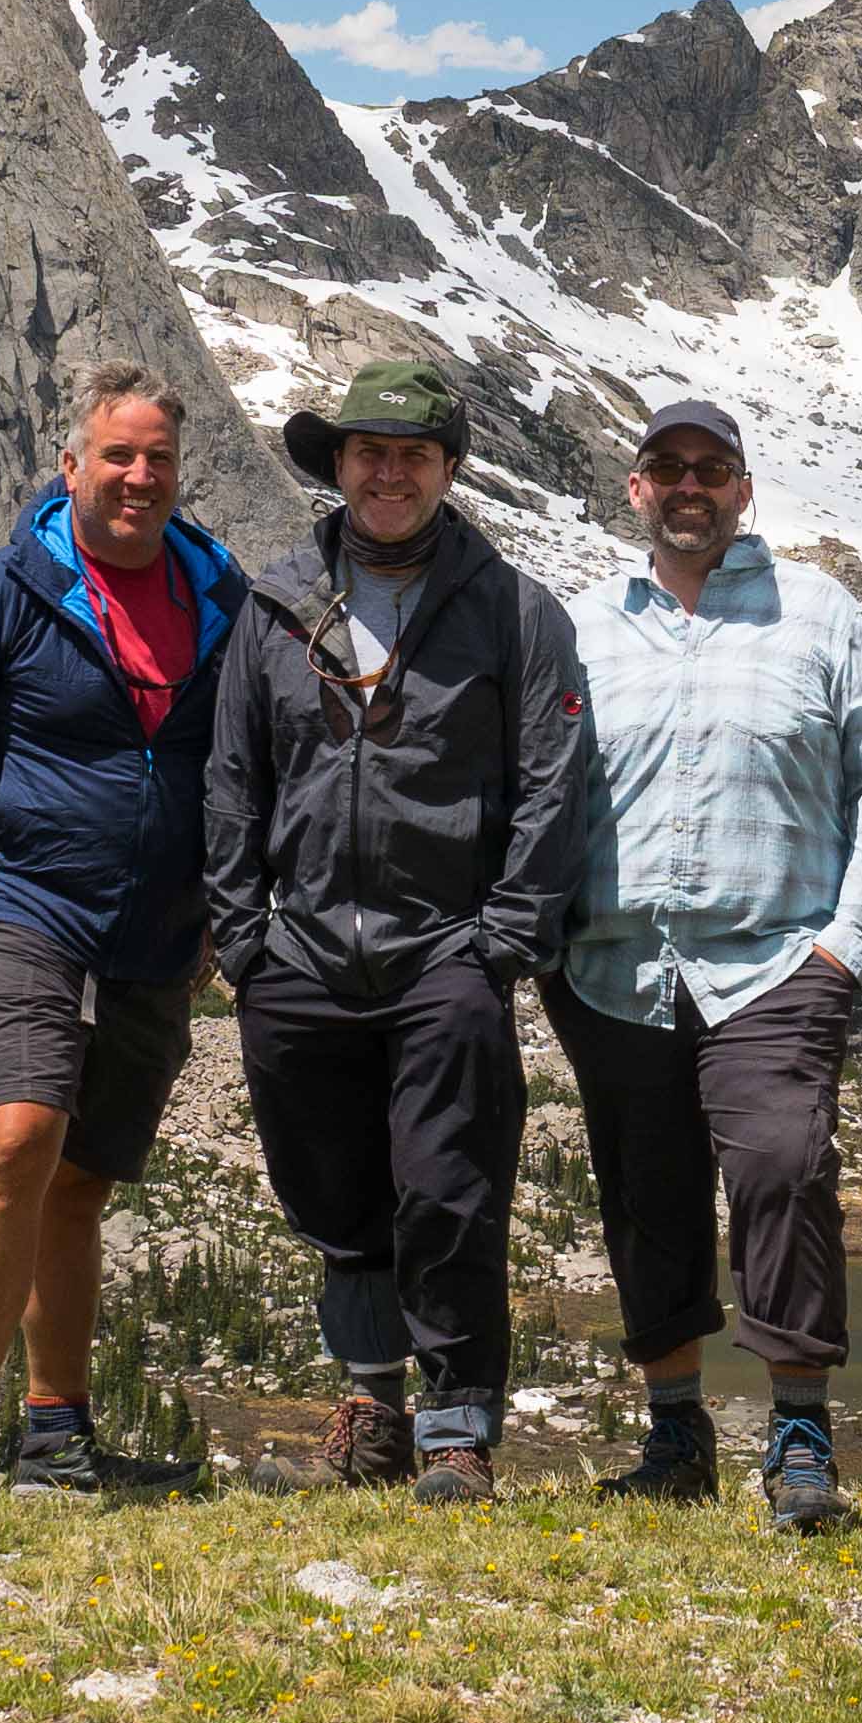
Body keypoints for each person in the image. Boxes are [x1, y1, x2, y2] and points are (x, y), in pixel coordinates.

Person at [0, 361, 251, 1517]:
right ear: (69, 466)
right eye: (116, 456)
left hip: (156, 935)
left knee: (81, 1184)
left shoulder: (217, 599)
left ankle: (58, 1440)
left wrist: (229, 908)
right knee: (17, 1140)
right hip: (21, 906)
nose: (138, 477)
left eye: (157, 459)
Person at [204, 357, 588, 1507]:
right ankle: (374, 1409)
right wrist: (242, 939)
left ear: (449, 473)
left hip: (445, 955)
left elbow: (552, 781)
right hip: (302, 957)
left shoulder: (514, 610)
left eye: (413, 456)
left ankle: (459, 1432)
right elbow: (234, 777)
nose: (388, 473)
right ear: (337, 465)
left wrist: (503, 938)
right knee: (334, 1195)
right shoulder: (275, 607)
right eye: (369, 452)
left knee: (449, 1190)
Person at [552, 399, 862, 1532]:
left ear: (743, 489)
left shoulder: (817, 613)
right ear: (635, 489)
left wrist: (846, 945)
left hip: (775, 962)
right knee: (644, 1196)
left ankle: (800, 1433)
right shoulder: (585, 626)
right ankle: (676, 1435)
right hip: (615, 969)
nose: (689, 487)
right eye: (667, 468)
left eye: (712, 470)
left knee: (781, 1166)